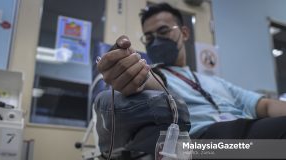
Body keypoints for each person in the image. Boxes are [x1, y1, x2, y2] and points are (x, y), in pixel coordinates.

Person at [97, 2, 286, 139]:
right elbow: (149, 82)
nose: (155, 40)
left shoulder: (216, 82)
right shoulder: (155, 73)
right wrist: (132, 75)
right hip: (205, 144)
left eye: (163, 32)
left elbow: (265, 106)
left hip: (247, 132)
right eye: (149, 37)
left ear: (184, 33)